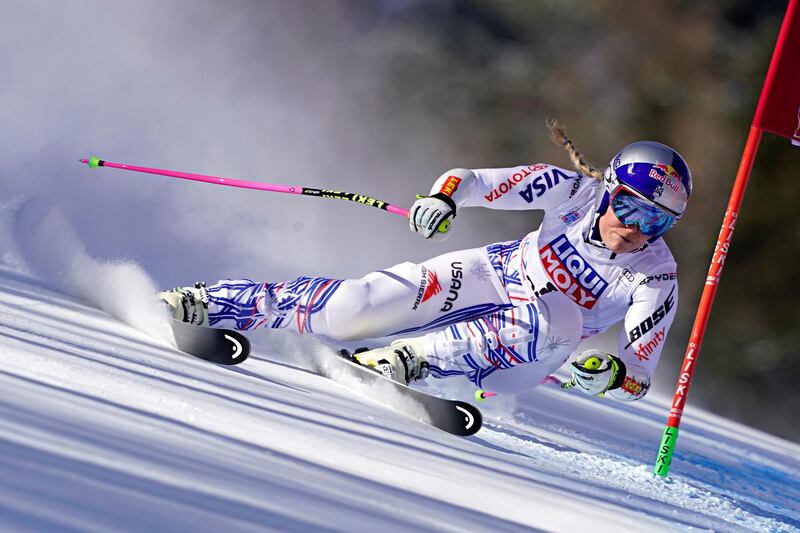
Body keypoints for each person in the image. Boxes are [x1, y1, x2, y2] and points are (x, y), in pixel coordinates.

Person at [160, 121, 691, 400]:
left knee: (563, 317)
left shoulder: (656, 276)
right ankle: (216, 303)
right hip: (497, 274)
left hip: (529, 358)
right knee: (355, 307)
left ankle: (413, 359)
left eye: (655, 222)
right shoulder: (571, 191)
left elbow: (638, 375)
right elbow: (473, 180)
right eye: (628, 207)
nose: (634, 229)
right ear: (608, 190)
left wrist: (609, 375)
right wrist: (443, 199)